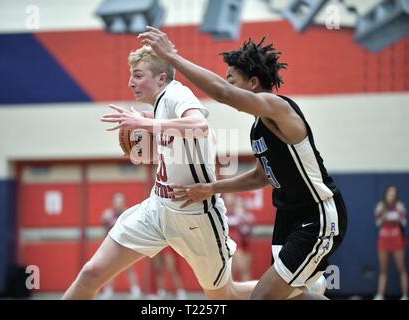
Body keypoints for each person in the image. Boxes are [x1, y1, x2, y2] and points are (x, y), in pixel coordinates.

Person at [139, 26, 348, 300]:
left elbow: (222, 93)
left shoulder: (279, 108)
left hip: (316, 214)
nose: (228, 86)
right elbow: (260, 177)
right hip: (289, 216)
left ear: (252, 83)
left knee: (261, 297)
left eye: (232, 80)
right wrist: (211, 188)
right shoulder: (258, 128)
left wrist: (172, 57)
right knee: (293, 296)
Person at [62, 45, 259, 300]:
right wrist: (147, 143)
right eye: (131, 75)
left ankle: (296, 290)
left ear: (161, 78)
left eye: (138, 75)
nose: (130, 82)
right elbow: (178, 152)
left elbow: (199, 125)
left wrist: (145, 123)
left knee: (224, 296)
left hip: (195, 215)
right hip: (157, 208)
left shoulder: (176, 93)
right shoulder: (158, 106)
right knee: (91, 274)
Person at [98, 192, 142, 299]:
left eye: (120, 202)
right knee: (108, 268)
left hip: (125, 245)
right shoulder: (107, 215)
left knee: (129, 267)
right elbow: (105, 232)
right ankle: (108, 290)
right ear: (113, 203)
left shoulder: (128, 214)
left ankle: (136, 290)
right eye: (116, 202)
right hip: (111, 245)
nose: (118, 204)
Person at [373, 185, 408, 300]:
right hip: (383, 239)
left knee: (401, 268)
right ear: (386, 194)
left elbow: (404, 223)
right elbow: (377, 223)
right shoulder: (379, 207)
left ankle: (404, 295)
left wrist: (397, 216)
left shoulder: (400, 207)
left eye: (393, 194)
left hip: (397, 239)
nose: (391, 196)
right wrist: (384, 214)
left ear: (395, 195)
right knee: (383, 269)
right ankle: (380, 295)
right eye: (389, 193)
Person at [224, 194, 255, 282]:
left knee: (245, 269)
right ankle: (231, 293)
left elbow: (247, 229)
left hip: (244, 243)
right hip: (233, 245)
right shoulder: (224, 214)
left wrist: (241, 214)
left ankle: (246, 292)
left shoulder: (244, 215)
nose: (229, 202)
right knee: (233, 270)